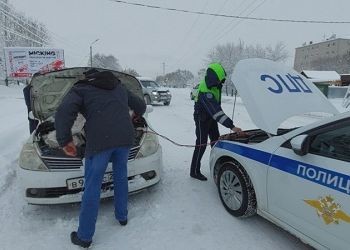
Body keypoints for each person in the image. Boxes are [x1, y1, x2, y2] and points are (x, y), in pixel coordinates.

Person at [55, 69, 146, 248]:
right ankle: (122, 216)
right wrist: (134, 115)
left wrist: (65, 141)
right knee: (121, 176)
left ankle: (85, 236)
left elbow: (64, 112)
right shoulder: (118, 86)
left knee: (92, 185)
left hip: (100, 142)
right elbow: (141, 107)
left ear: (88, 78)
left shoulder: (81, 88)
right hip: (124, 138)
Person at [190, 63, 242, 181]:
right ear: (213, 78)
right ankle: (194, 171)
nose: (220, 83)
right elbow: (216, 112)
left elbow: (216, 108)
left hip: (211, 117)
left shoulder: (215, 85)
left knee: (215, 141)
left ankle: (217, 165)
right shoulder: (205, 90)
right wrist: (232, 126)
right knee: (201, 144)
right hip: (201, 119)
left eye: (221, 80)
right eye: (219, 80)